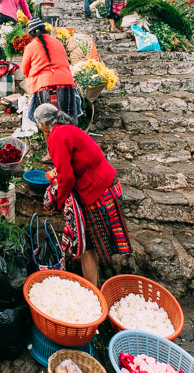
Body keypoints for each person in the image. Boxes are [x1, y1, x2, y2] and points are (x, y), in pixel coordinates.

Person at [34, 103, 131, 287]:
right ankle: (95, 287)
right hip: (107, 184)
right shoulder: (66, 129)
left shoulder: (57, 136)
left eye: (38, 124)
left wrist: (60, 202)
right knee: (91, 246)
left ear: (43, 124)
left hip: (97, 192)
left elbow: (67, 177)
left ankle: (92, 294)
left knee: (87, 247)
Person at [21, 17, 82, 124]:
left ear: (30, 34)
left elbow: (24, 71)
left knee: (48, 124)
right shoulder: (58, 42)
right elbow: (66, 63)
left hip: (45, 88)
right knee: (67, 122)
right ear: (45, 30)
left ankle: (52, 140)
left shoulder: (30, 47)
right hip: (67, 86)